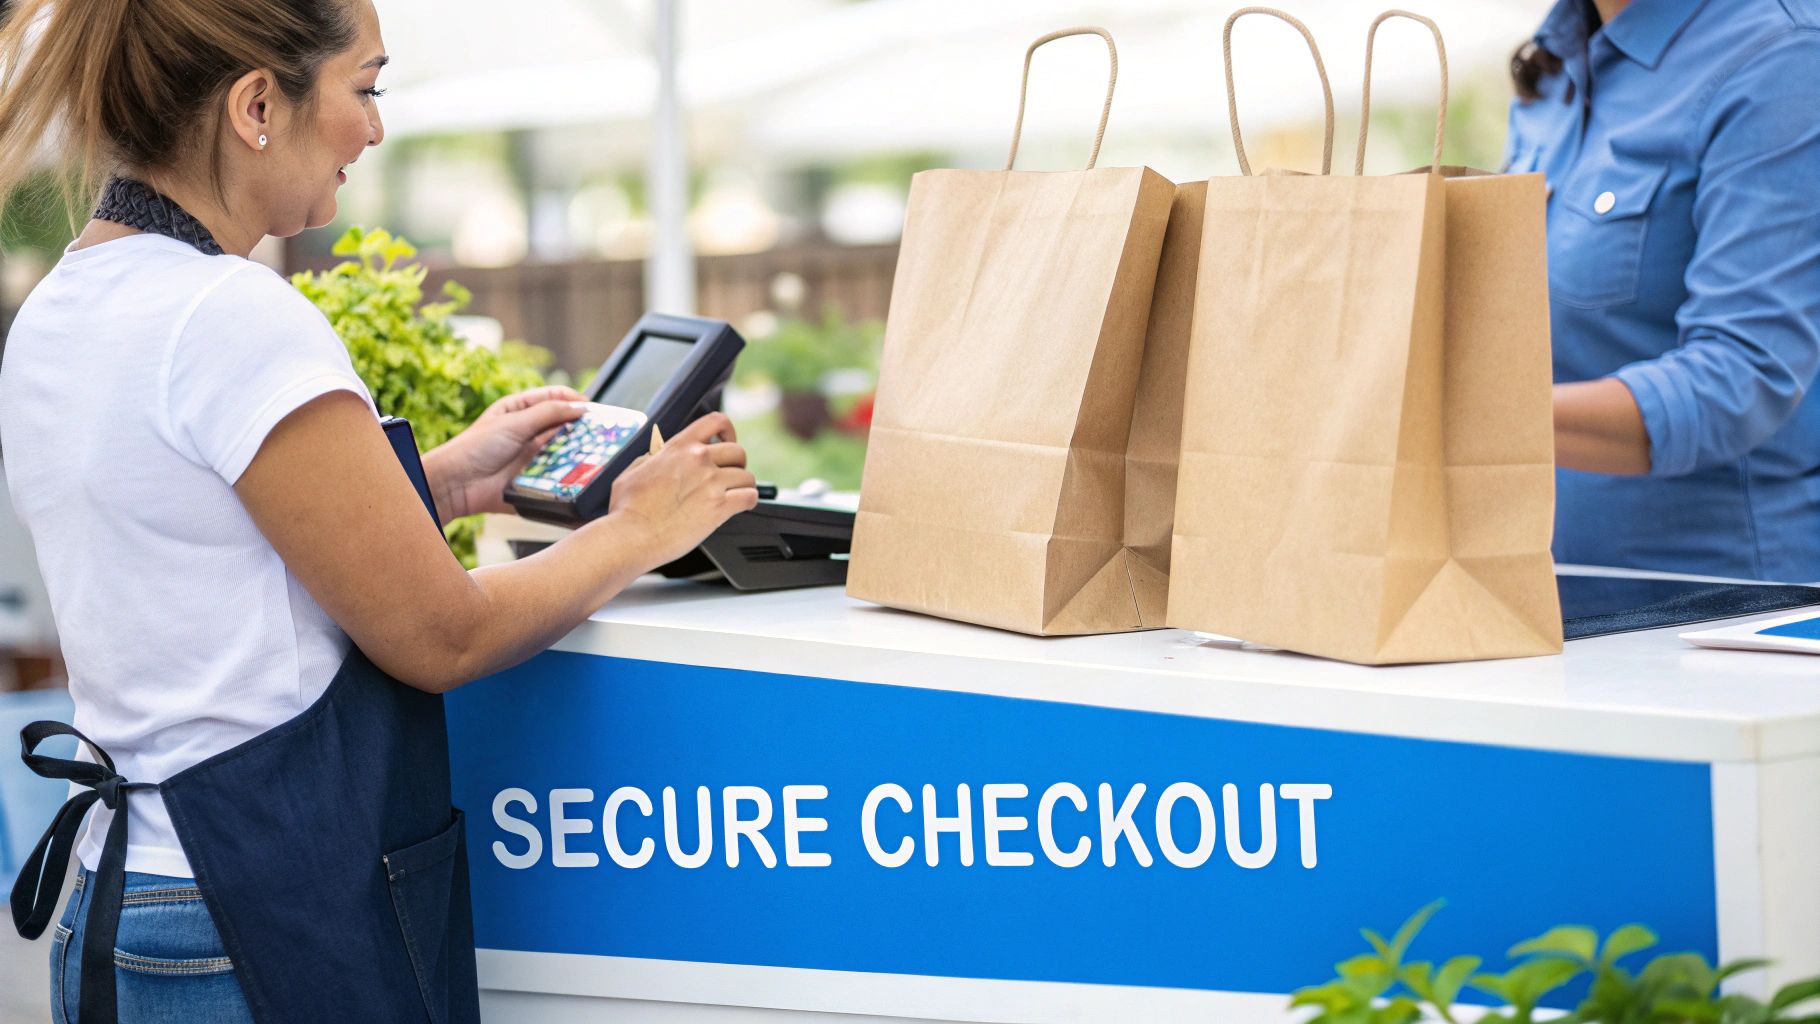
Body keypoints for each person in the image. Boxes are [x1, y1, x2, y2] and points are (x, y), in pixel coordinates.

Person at [0, 0, 759, 1020]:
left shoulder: (66, 302)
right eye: (365, 88)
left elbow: (200, 547)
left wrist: (446, 481)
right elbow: (442, 634)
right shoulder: (230, 315)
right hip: (262, 919)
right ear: (257, 104)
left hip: (126, 899)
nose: (375, 128)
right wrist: (643, 527)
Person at [1514, 0, 1820, 581]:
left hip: (1712, 624)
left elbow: (1739, 382)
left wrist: (1471, 420)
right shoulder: (1559, 50)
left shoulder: (1785, 57)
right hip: (1536, 603)